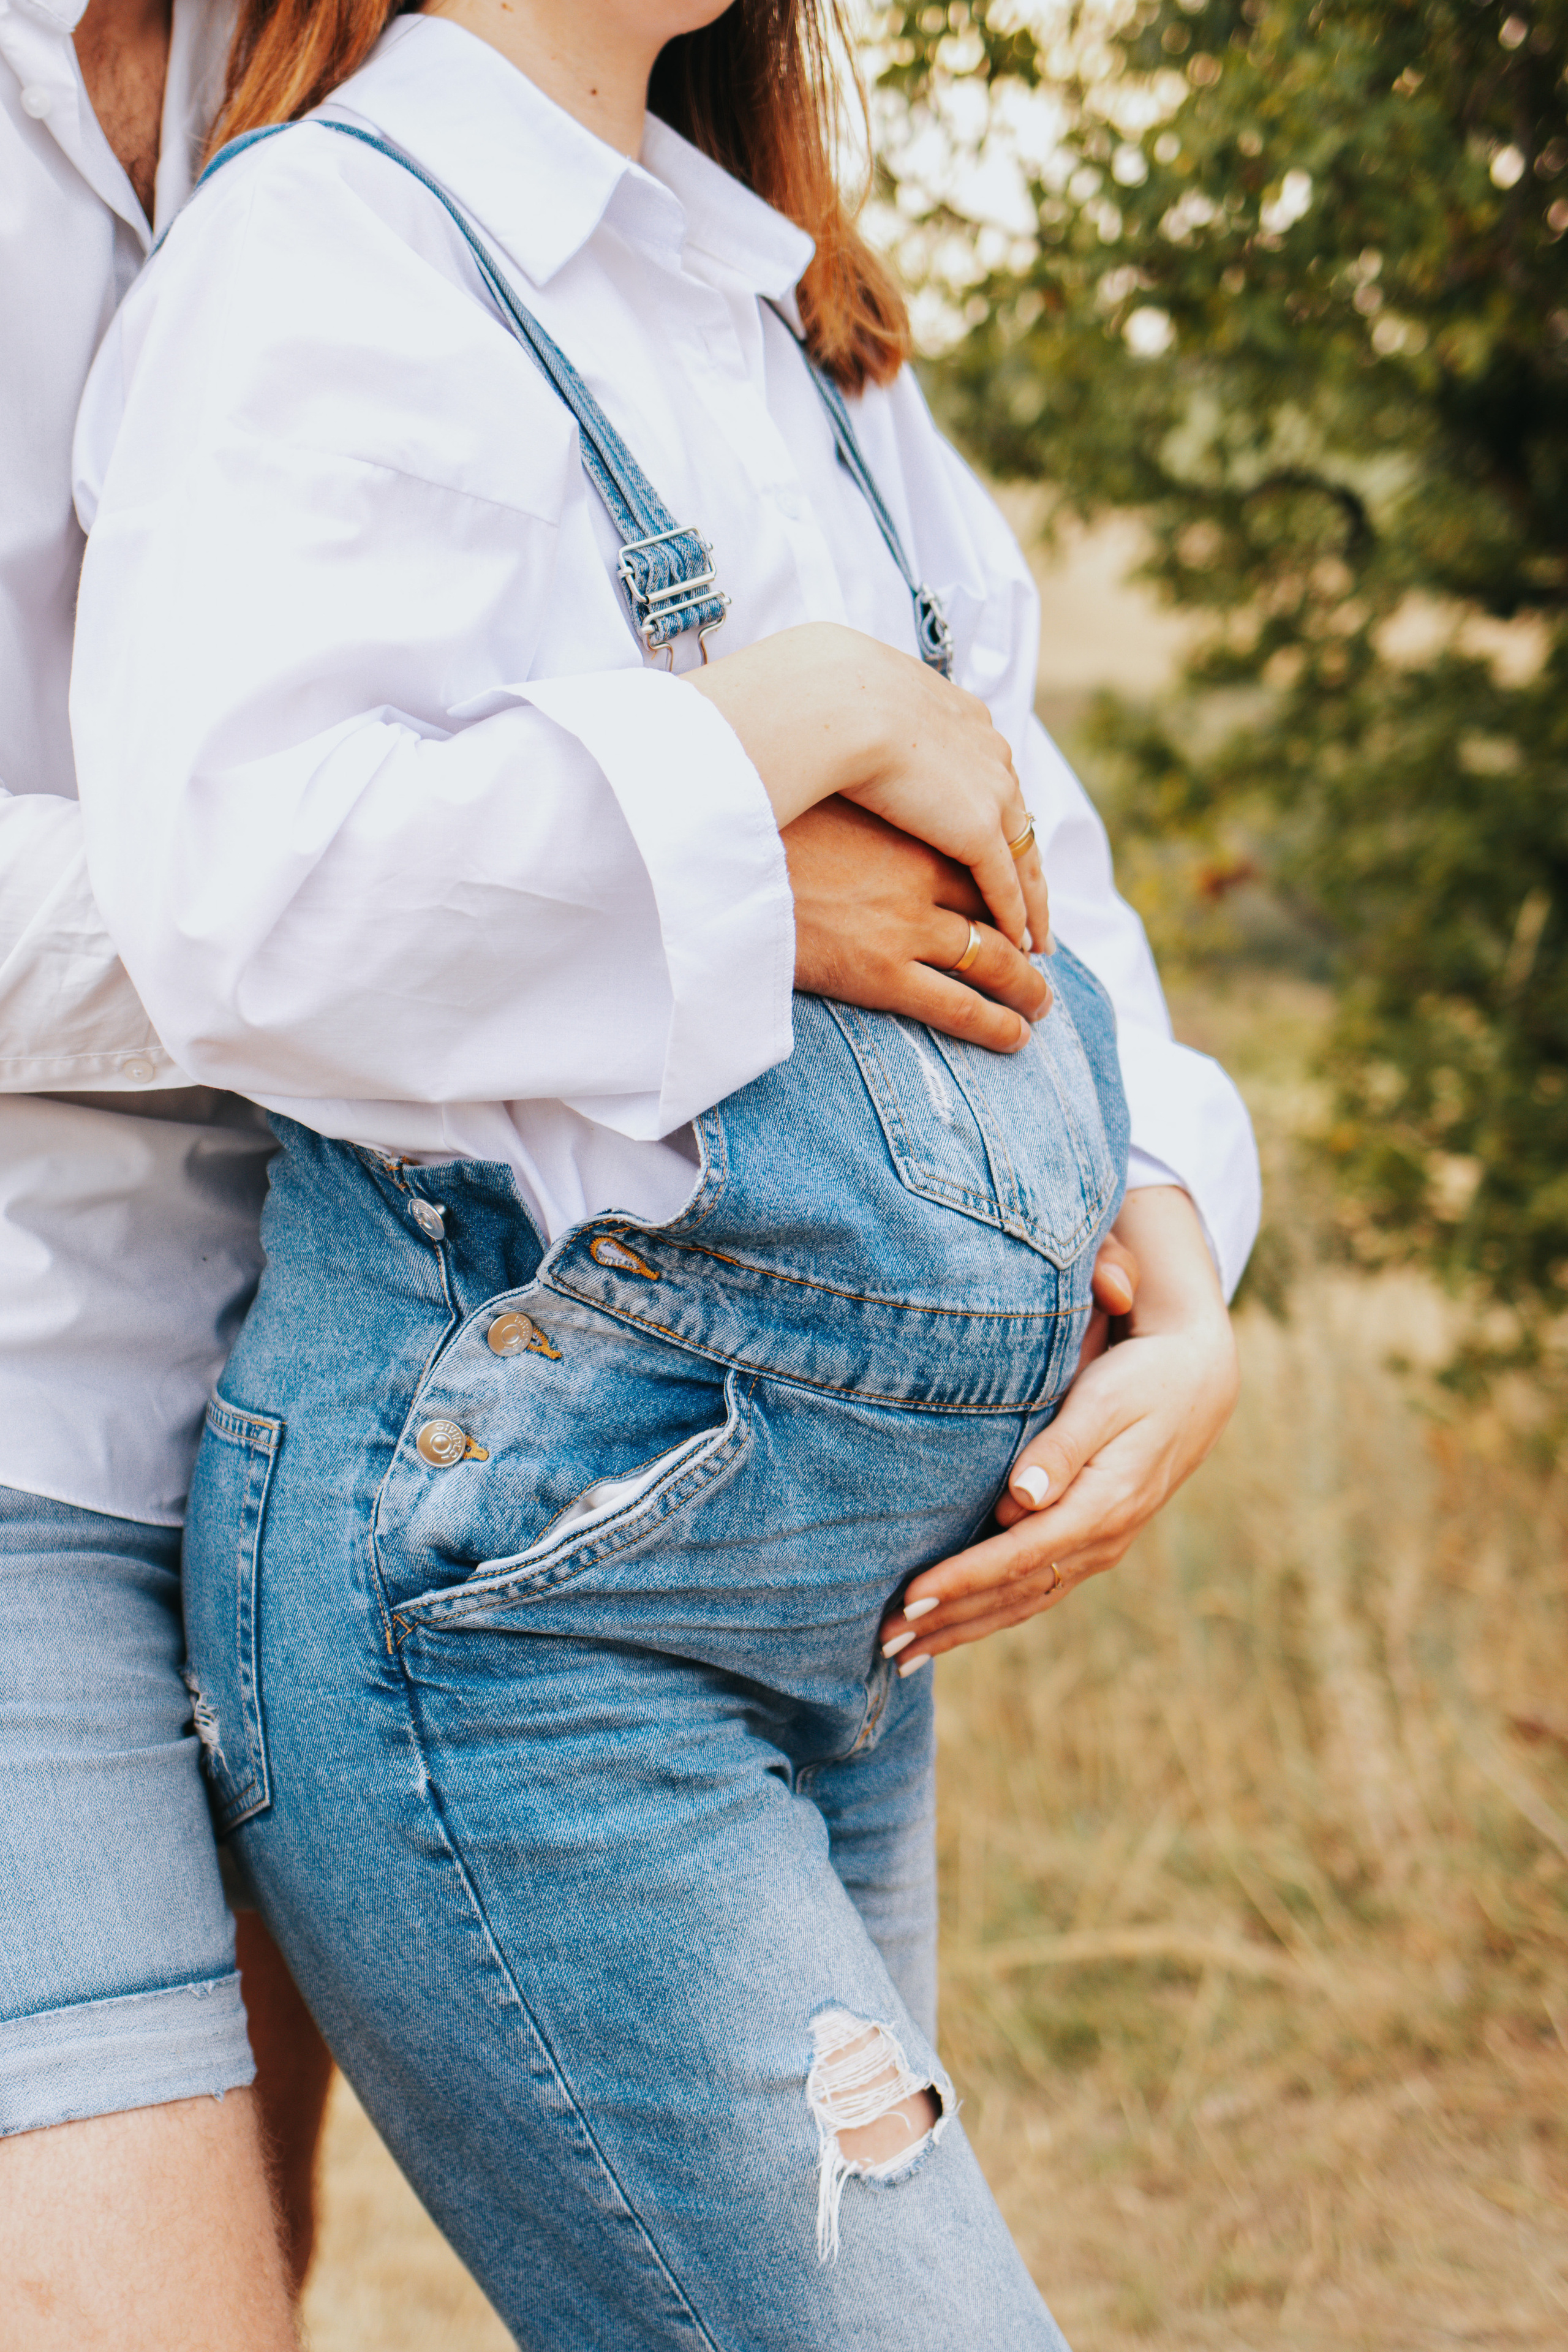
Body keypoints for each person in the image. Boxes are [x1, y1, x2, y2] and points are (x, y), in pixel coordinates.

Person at [70, 0, 1257, 2340]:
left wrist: (1183, 1270)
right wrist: (775, 734)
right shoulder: (324, 255)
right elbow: (243, 897)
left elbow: (1044, 842)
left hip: (836, 1604)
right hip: (522, 1581)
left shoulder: (782, 302)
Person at [0, 0, 334, 2336]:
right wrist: (474, 911)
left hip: (347, 1427)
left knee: (257, 2275)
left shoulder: (377, 56)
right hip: (14, 1412)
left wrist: (1163, 1187)